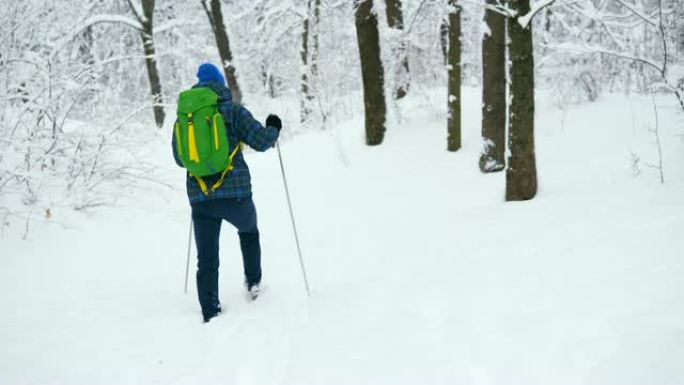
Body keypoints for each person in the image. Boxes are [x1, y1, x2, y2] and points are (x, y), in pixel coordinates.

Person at [172, 63, 281, 323]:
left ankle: (210, 311)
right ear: (221, 84)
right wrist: (274, 127)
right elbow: (263, 141)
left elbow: (179, 159)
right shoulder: (232, 111)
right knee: (249, 231)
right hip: (236, 195)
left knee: (206, 258)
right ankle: (253, 284)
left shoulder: (185, 118)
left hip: (200, 198)